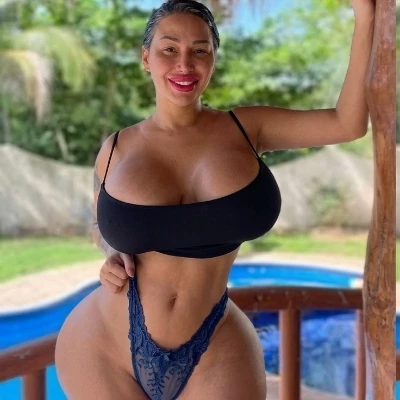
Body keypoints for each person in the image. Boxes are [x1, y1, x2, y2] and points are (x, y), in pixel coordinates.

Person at [55, 0, 374, 399]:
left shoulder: (246, 129)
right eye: (169, 49)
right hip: (104, 343)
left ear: (213, 59)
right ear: (146, 58)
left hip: (214, 342)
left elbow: (347, 124)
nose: (184, 64)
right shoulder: (116, 148)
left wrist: (365, 17)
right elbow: (99, 225)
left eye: (200, 50)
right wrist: (112, 254)